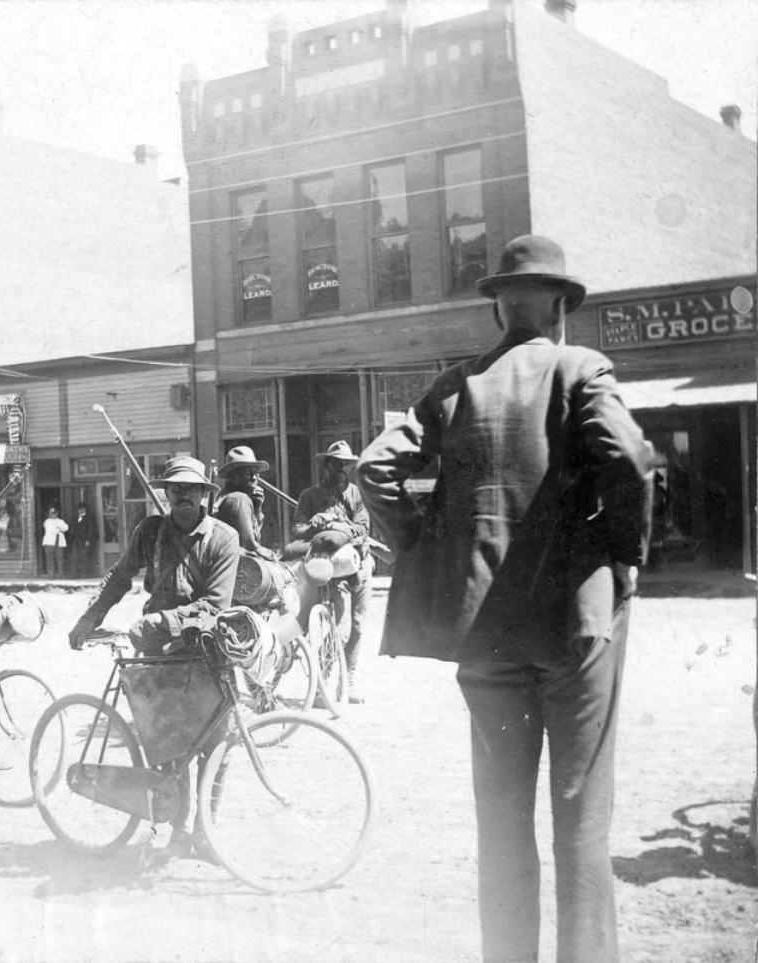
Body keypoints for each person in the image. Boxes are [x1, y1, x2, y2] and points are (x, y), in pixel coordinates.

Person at [356, 235, 652, 963]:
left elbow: (373, 467)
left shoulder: (458, 385)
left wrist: (425, 539)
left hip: (483, 639)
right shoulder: (582, 367)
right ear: (558, 306)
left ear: (498, 309)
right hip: (575, 629)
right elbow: (631, 460)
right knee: (581, 819)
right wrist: (624, 555)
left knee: (501, 822)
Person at [68, 456, 240, 859]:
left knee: (216, 746)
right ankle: (176, 829)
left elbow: (215, 605)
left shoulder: (223, 539)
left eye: (191, 489)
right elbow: (119, 577)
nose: (182, 496)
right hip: (157, 658)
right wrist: (89, 618)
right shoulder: (150, 531)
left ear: (204, 495)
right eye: (175, 489)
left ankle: (206, 831)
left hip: (206, 656)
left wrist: (160, 621)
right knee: (165, 747)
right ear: (166, 493)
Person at [290, 439, 372, 702]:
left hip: (360, 564)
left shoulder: (356, 494)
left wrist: (339, 523)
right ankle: (320, 685)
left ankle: (347, 683)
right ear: (325, 466)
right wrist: (316, 523)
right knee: (338, 628)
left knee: (358, 625)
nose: (341, 470)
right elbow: (298, 531)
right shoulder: (309, 496)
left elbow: (363, 528)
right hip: (332, 568)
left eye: (345, 465)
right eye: (336, 464)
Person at [212, 446, 276, 560]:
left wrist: (258, 509)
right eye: (248, 473)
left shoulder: (231, 497)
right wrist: (272, 555)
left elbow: (255, 537)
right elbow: (250, 546)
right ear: (233, 476)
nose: (254, 477)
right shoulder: (238, 499)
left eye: (256, 473)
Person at [69, 502, 97, 578]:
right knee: (74, 557)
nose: (80, 510)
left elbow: (91, 529)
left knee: (84, 557)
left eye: (82, 509)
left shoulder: (89, 517)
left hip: (84, 540)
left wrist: (88, 540)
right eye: (79, 509)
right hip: (76, 540)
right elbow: (72, 528)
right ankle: (74, 574)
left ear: (85, 509)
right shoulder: (75, 517)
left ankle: (84, 574)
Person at [41, 506, 68, 578]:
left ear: (57, 513)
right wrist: (59, 529)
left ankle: (61, 575)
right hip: (49, 542)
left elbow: (66, 528)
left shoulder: (60, 521)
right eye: (52, 513)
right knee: (50, 559)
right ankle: (51, 575)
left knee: (60, 558)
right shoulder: (47, 521)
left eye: (55, 513)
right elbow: (51, 530)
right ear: (49, 514)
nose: (53, 514)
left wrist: (59, 528)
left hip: (59, 542)